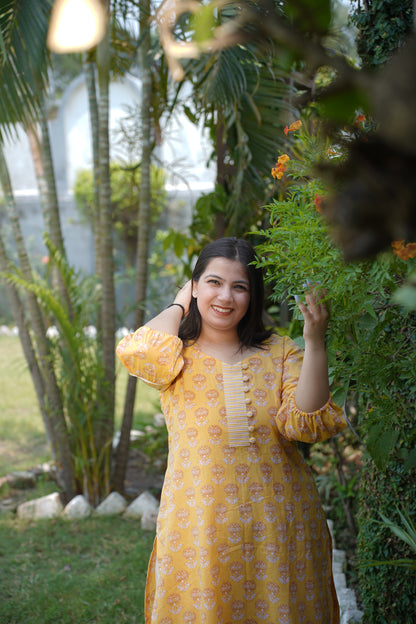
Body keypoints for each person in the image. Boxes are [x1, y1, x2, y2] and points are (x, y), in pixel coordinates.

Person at [116, 237, 347, 624]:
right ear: (194, 287)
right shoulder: (175, 354)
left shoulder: (281, 351)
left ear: (253, 296)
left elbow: (305, 424)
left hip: (278, 527)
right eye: (213, 282)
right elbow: (140, 352)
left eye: (239, 286)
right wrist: (178, 304)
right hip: (198, 530)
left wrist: (315, 342)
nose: (226, 296)